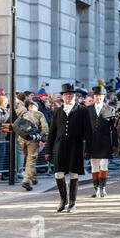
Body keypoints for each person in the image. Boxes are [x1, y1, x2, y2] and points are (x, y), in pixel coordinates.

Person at [45, 83, 92, 213]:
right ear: (63, 96)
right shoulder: (57, 111)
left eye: (71, 94)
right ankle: (63, 200)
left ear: (75, 96)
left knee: (73, 174)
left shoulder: (82, 110)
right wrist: (48, 150)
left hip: (76, 145)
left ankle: (72, 202)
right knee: (58, 174)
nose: (68, 96)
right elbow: (52, 132)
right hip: (60, 146)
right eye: (66, 94)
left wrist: (88, 149)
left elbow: (88, 131)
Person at [87, 86, 117, 198]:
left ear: (103, 96)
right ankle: (96, 189)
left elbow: (114, 130)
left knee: (104, 165)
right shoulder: (88, 109)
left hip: (105, 142)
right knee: (94, 166)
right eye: (96, 96)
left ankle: (103, 187)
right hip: (92, 142)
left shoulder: (110, 110)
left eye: (100, 96)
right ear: (93, 97)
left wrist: (115, 144)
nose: (98, 98)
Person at [18, 100, 49, 191]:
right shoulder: (39, 114)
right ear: (37, 107)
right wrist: (43, 139)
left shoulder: (24, 114)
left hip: (22, 139)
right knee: (31, 159)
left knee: (29, 159)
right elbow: (45, 128)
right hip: (33, 139)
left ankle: (34, 178)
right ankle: (26, 181)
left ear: (29, 107)